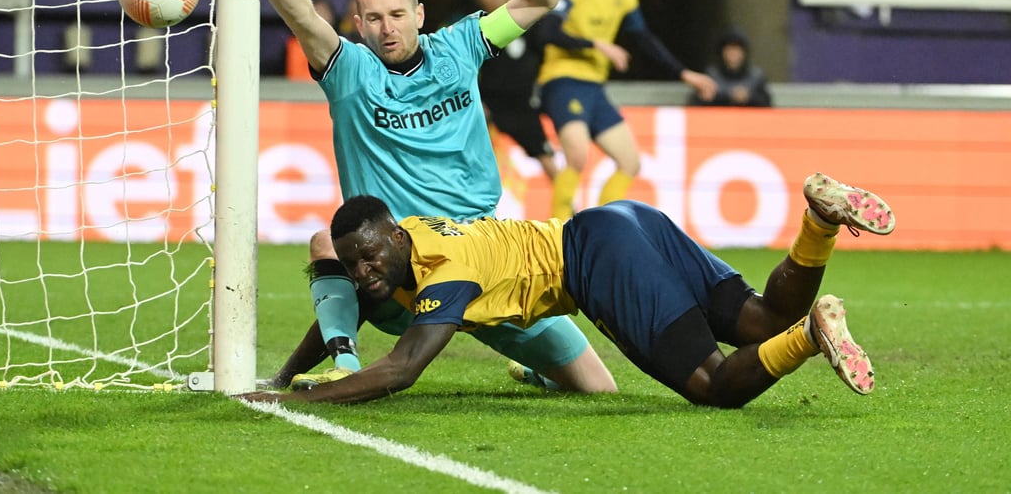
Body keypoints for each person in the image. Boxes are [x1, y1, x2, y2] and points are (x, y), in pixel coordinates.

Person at [221, 0, 617, 395]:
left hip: (486, 256)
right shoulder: (349, 71)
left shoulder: (461, 44)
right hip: (400, 270)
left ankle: (540, 372)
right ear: (357, 24)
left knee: (599, 389)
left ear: (420, 13)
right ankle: (344, 362)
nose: (387, 29)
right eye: (373, 18)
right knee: (327, 243)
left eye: (397, 14)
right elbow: (307, 22)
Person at [239, 172, 895, 407]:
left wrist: (313, 398)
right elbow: (343, 309)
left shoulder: (447, 269)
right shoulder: (404, 243)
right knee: (761, 316)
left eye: (368, 257)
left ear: (393, 235)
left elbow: (404, 369)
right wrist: (287, 374)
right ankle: (818, 220)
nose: (362, 273)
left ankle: (813, 335)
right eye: (352, 265)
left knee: (715, 386)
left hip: (596, 260)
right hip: (623, 221)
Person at [533, 0, 717, 221]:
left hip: (595, 87)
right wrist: (597, 45)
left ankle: (600, 227)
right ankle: (557, 233)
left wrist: (685, 74)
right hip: (562, 80)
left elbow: (645, 41)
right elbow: (548, 33)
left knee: (630, 161)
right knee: (577, 155)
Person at [447, 0, 559, 180]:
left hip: (523, 105)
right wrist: (477, 102)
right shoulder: (473, 29)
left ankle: (572, 210)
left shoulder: (529, 23)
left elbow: (545, 56)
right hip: (488, 108)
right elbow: (463, 69)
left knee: (548, 160)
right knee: (475, 164)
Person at [688, 28, 772, 107]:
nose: (733, 54)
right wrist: (728, 97)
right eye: (729, 49)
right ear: (722, 52)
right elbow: (697, 103)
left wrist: (749, 98)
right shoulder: (711, 76)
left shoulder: (756, 77)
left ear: (744, 52)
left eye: (737, 50)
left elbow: (767, 104)